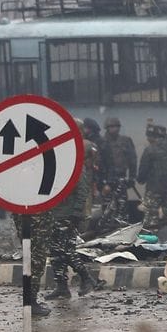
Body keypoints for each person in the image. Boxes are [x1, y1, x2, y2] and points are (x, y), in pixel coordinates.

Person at [47, 124, 106, 299]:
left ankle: (87, 278)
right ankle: (61, 286)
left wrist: (76, 213)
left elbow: (82, 191)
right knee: (55, 254)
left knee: (67, 251)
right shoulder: (52, 167)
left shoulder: (73, 166)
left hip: (68, 216)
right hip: (54, 215)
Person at [98, 117, 137, 228]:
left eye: (116, 126)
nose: (114, 129)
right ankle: (106, 228)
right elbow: (99, 163)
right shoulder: (102, 142)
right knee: (107, 206)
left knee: (122, 205)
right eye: (111, 127)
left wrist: (132, 177)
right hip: (106, 180)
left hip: (121, 178)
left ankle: (122, 227)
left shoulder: (126, 141)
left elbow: (132, 160)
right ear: (107, 128)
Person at [136, 123, 167, 230]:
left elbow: (143, 169)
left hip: (154, 188)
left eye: (148, 136)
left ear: (152, 137)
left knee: (151, 218)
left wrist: (140, 180)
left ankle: (150, 240)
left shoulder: (150, 150)